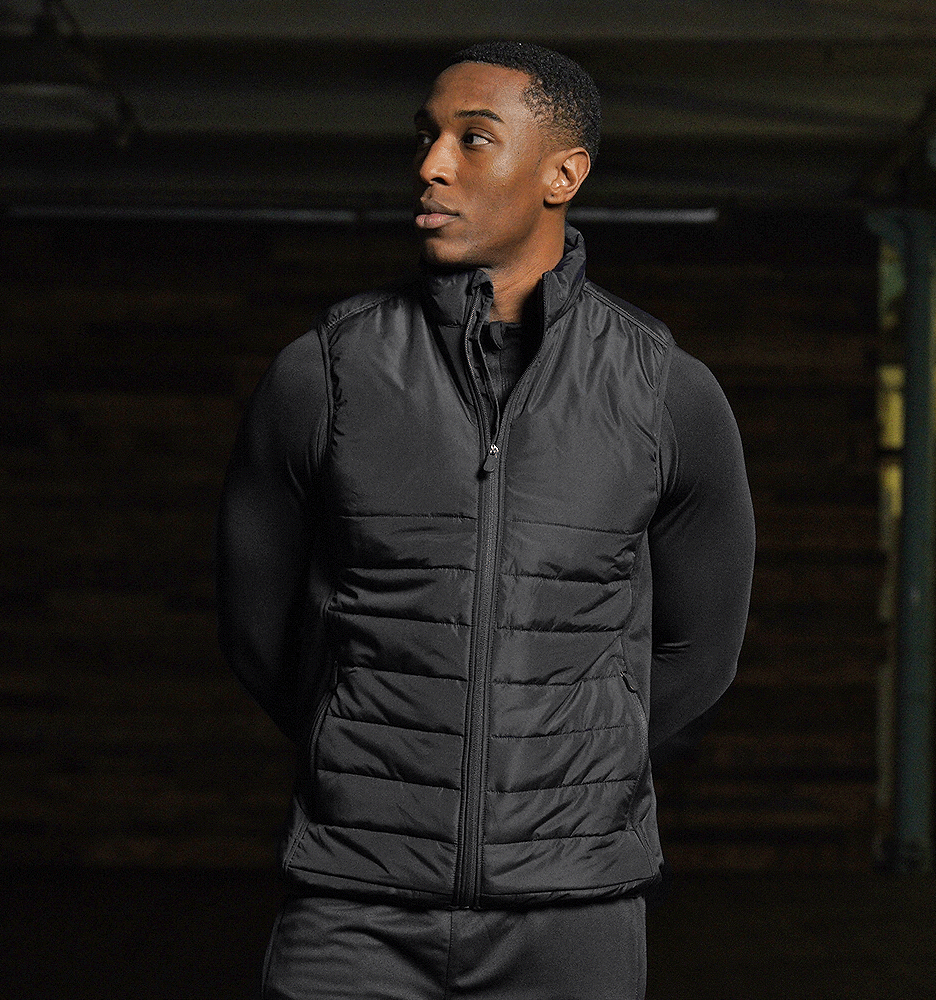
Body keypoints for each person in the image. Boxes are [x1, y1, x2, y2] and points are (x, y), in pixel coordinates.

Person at [217, 40, 754, 1000]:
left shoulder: (664, 391)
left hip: (574, 912)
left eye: (472, 138)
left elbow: (699, 654)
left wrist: (564, 760)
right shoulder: (325, 373)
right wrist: (373, 745)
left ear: (562, 174)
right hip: (352, 907)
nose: (430, 164)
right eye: (425, 136)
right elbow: (257, 630)